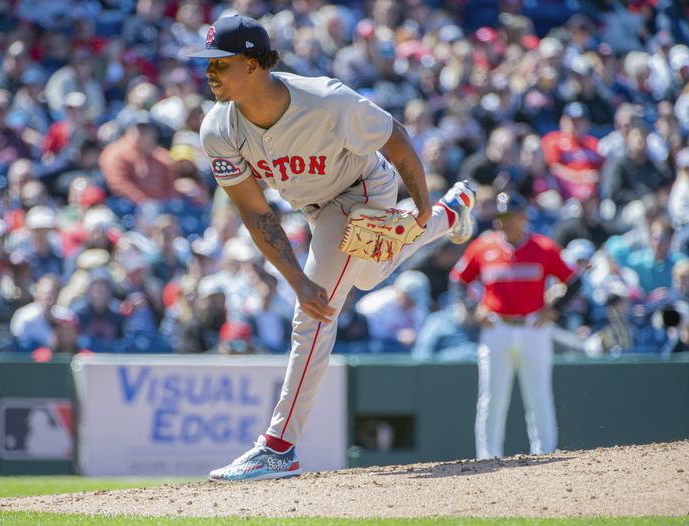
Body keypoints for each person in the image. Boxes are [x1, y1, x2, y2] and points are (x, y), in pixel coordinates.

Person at [190, 14, 475, 481]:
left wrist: (419, 206)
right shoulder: (217, 129)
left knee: (318, 309)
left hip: (362, 189)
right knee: (365, 275)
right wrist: (295, 279)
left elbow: (397, 139)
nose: (209, 72)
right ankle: (453, 212)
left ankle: (278, 447)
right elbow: (255, 212)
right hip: (313, 208)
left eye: (219, 63)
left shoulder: (326, 100)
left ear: (252, 63)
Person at [450, 192, 581, 460]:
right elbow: (458, 279)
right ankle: (487, 458)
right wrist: (474, 308)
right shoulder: (482, 246)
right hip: (496, 328)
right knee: (491, 399)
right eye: (500, 217)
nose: (504, 223)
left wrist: (555, 308)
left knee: (539, 396)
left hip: (533, 326)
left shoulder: (543, 247)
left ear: (524, 217)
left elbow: (574, 279)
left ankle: (545, 454)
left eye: (510, 217)